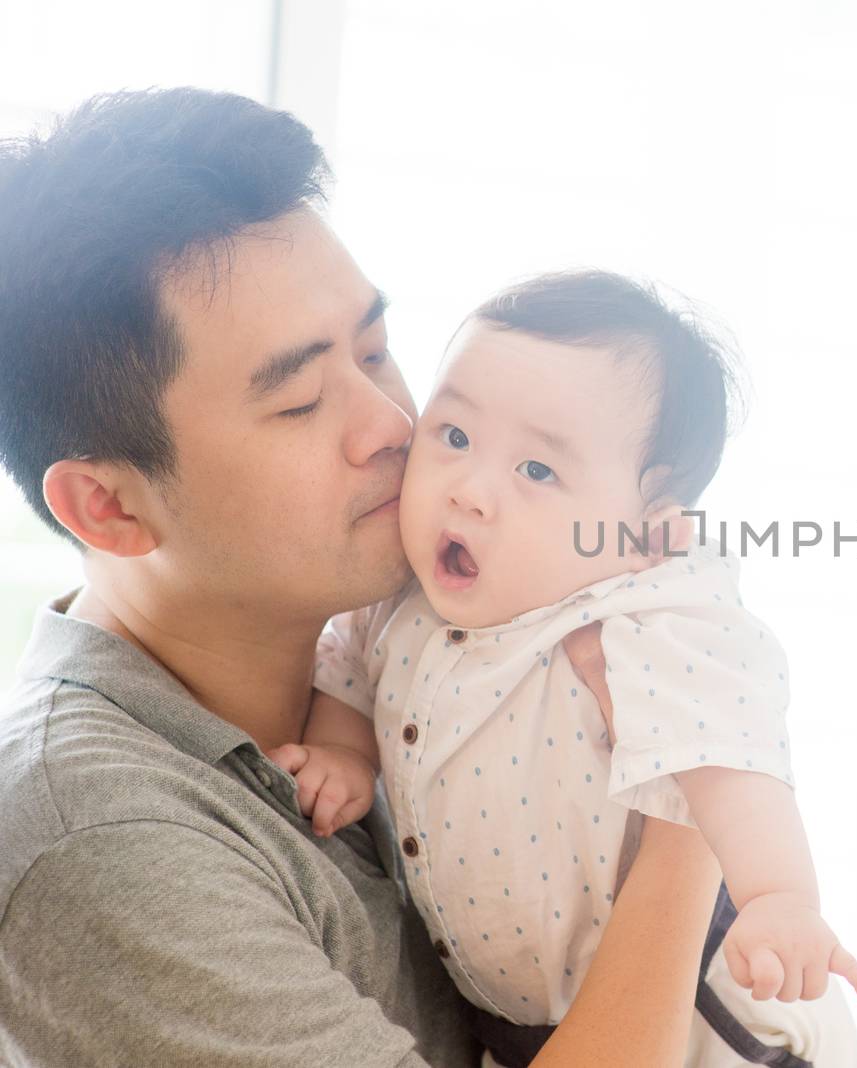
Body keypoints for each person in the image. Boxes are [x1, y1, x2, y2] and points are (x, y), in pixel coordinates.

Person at [0, 87, 724, 1067]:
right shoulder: (95, 830)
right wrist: (695, 813)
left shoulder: (422, 638)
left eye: (377, 351)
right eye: (301, 402)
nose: (394, 423)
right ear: (110, 508)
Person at [272, 270, 857, 1066]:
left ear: (647, 535)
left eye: (538, 472)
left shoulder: (644, 623)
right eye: (454, 436)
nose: (472, 492)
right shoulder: (397, 596)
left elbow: (734, 763)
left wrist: (780, 898)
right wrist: (343, 756)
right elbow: (350, 673)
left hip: (704, 1015)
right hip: (523, 1025)